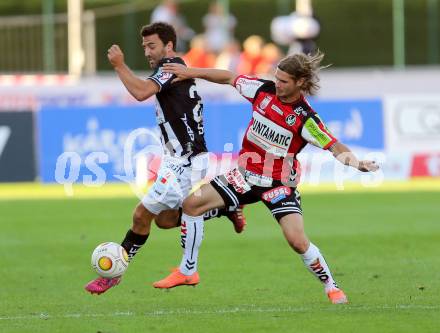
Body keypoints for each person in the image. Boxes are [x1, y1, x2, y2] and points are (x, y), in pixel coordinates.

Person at [152, 51, 379, 304]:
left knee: (297, 241)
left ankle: (331, 286)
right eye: (277, 78)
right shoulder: (262, 90)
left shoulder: (305, 118)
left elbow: (334, 146)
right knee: (191, 205)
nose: (278, 84)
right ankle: (188, 270)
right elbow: (229, 77)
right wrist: (190, 72)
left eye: (284, 81)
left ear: (300, 82)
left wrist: (357, 163)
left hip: (279, 184)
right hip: (244, 176)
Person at [85, 22, 245, 295]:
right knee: (165, 221)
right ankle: (223, 208)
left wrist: (119, 65)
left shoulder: (170, 68)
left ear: (168, 46)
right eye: (144, 46)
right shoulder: (173, 69)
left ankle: (114, 273)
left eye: (152, 45)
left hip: (185, 159)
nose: (147, 51)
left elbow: (140, 92)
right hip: (183, 158)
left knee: (141, 215)